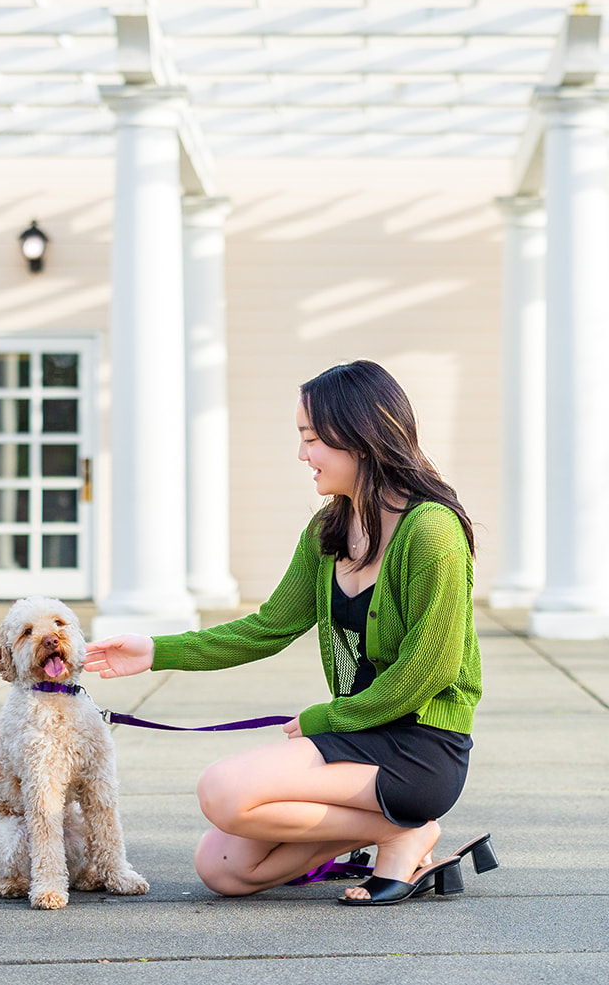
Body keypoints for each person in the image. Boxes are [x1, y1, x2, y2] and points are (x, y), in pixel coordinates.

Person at [83, 360, 492, 905]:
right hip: (359, 733)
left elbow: (429, 667)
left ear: (361, 438)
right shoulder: (329, 529)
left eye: (313, 438)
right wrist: (156, 650)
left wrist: (327, 717)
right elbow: (267, 628)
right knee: (223, 868)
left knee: (222, 790)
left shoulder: (432, 529)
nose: (303, 455)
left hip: (419, 748)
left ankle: (405, 826)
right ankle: (398, 831)